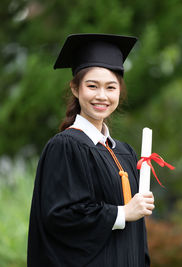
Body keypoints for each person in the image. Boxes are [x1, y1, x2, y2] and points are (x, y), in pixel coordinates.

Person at [27, 33, 154, 267]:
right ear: (75, 88)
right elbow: (61, 217)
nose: (101, 96)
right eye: (92, 86)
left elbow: (136, 235)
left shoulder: (125, 153)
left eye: (110, 87)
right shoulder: (65, 146)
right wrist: (122, 213)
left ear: (119, 92)